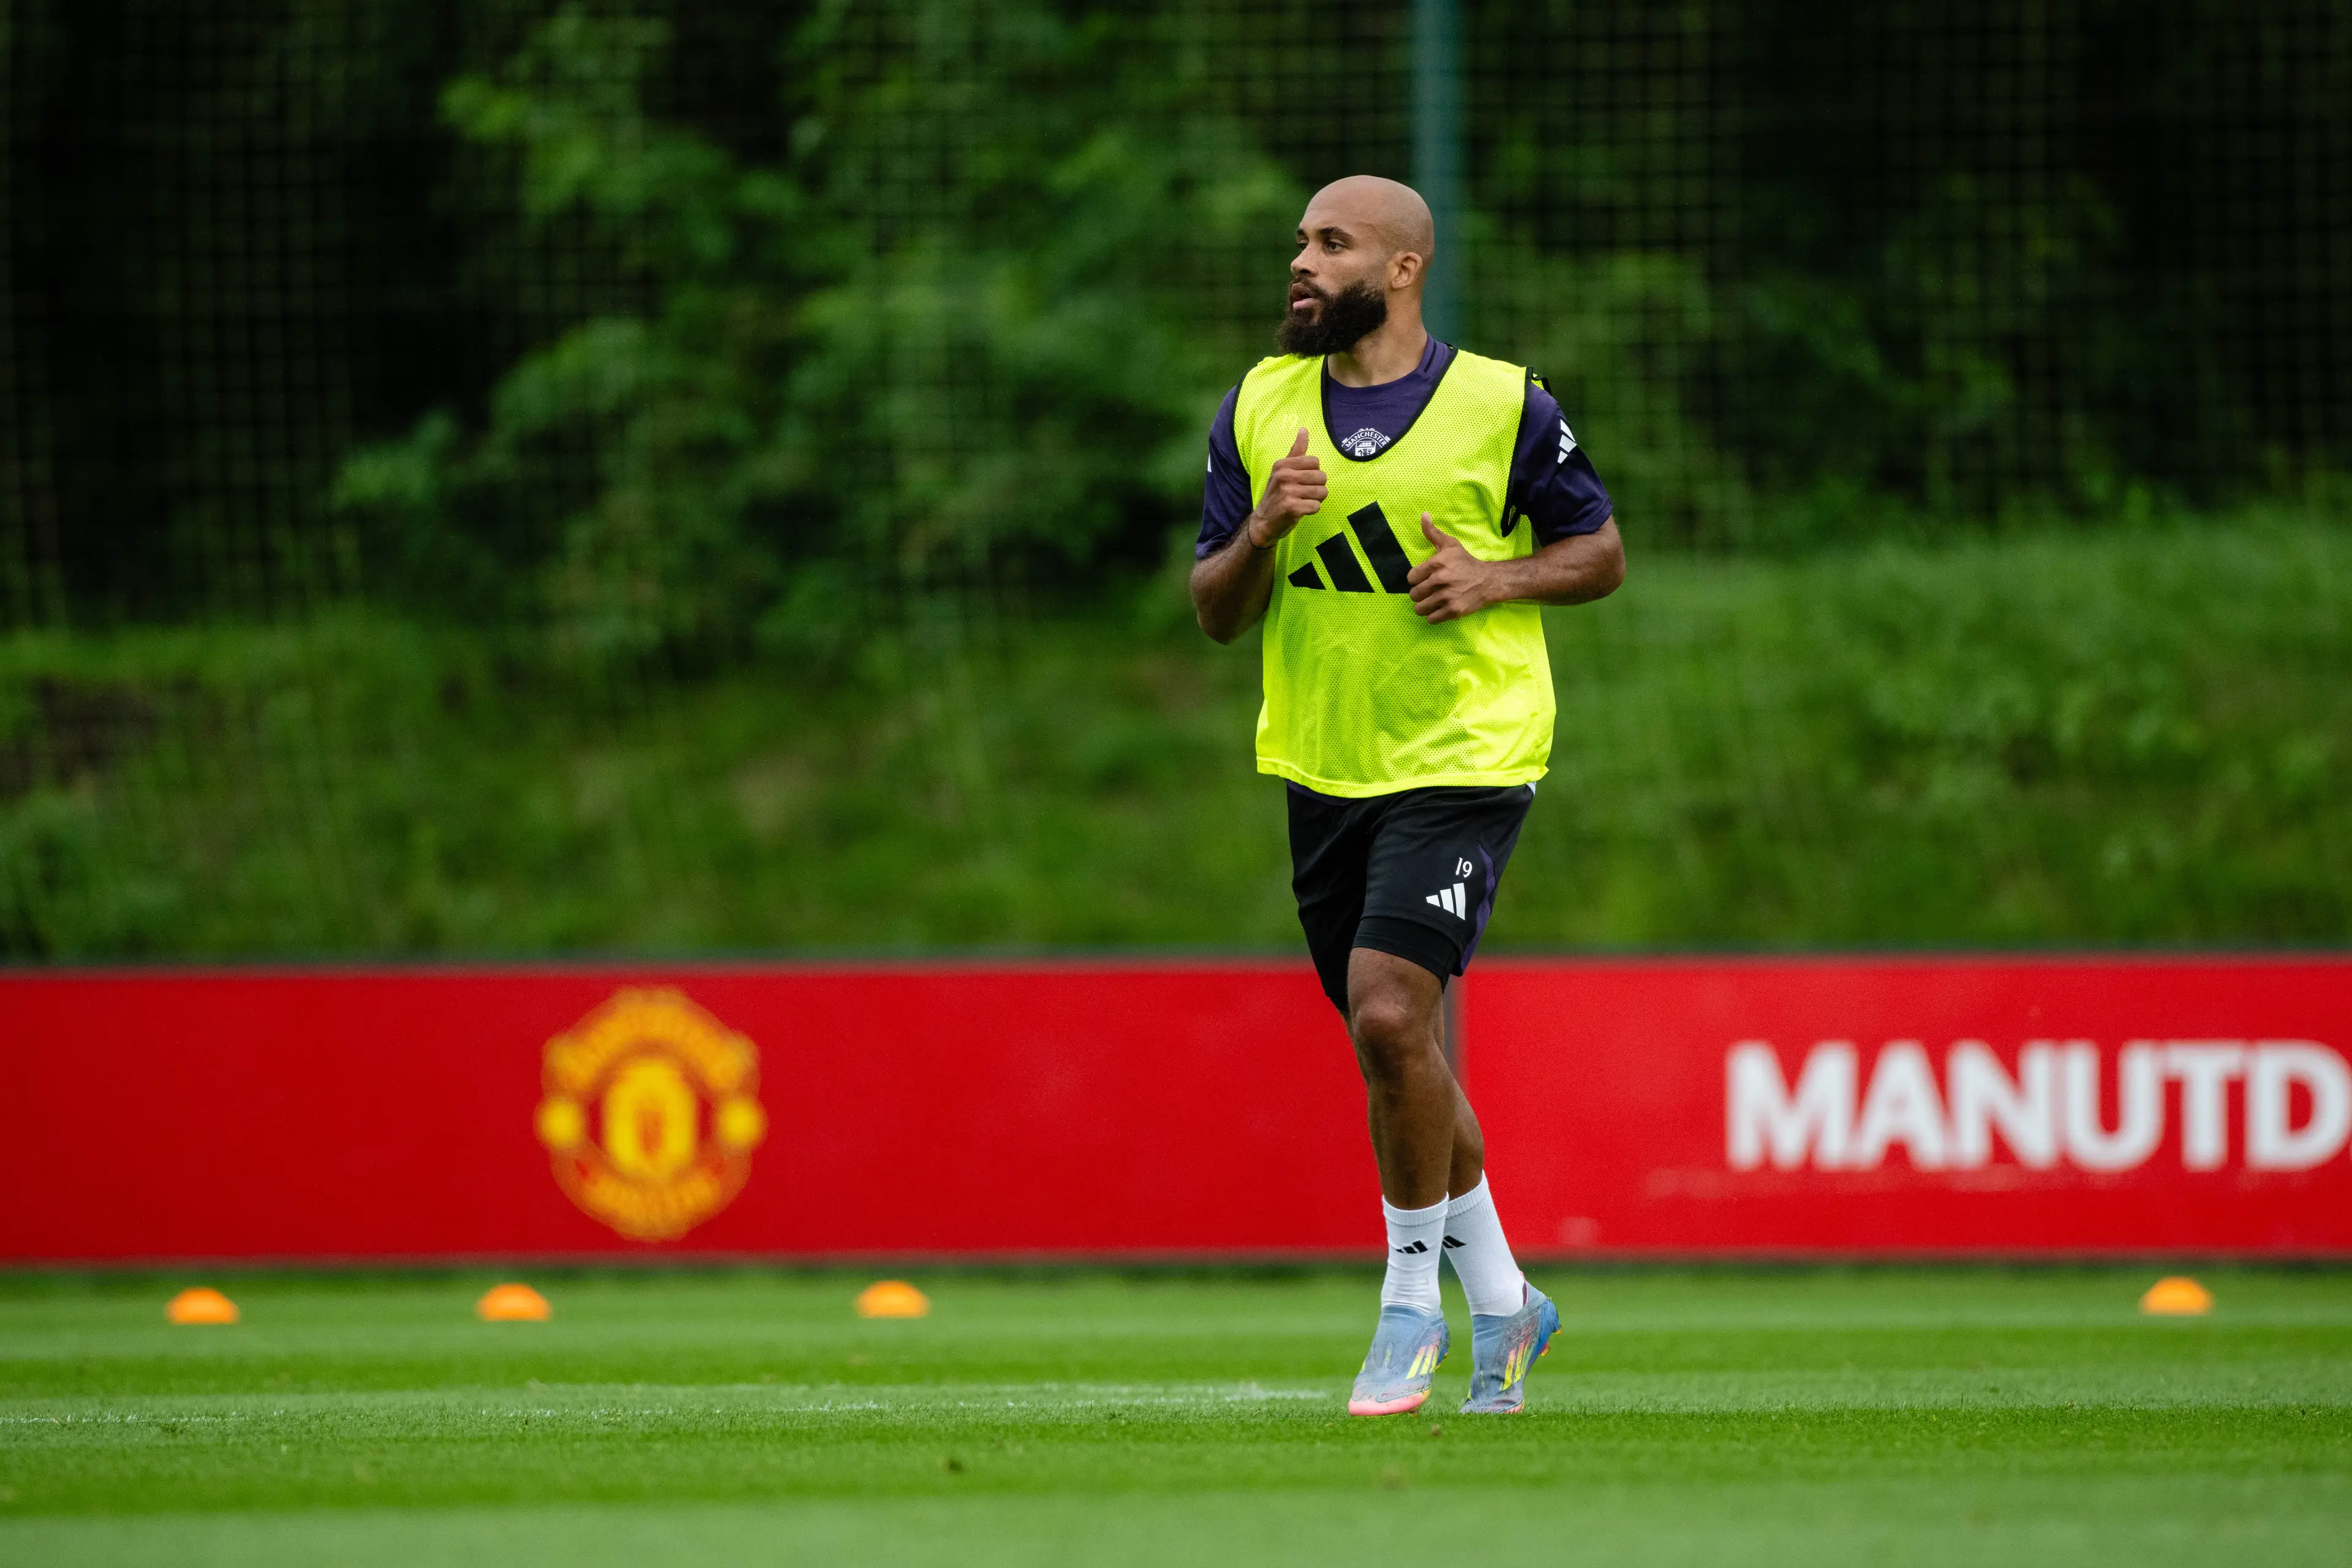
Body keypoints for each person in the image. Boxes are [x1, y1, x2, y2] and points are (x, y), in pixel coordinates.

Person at [1189, 175, 1626, 1415]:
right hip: (1326, 763)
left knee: (1389, 1016)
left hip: (1468, 754)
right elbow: (1215, 611)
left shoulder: (1503, 401)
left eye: (1332, 244)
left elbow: (1600, 551)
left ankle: (1404, 1307)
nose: (1303, 263)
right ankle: (1507, 1303)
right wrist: (1263, 530)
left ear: (1403, 267)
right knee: (1403, 1057)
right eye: (1300, 243)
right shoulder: (1262, 407)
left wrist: (1495, 579)